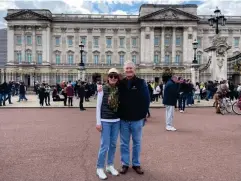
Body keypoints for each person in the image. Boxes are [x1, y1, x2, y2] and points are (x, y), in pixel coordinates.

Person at [118, 61, 149, 175]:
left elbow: (146, 99)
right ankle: (125, 163)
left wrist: (144, 114)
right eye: (127, 68)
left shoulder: (141, 82)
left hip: (137, 119)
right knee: (124, 143)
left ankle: (136, 164)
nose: (128, 70)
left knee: (137, 143)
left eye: (130, 68)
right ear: (124, 70)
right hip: (124, 119)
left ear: (134, 69)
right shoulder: (120, 83)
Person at [96, 68, 120, 180]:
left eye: (115, 76)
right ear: (108, 77)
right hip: (105, 120)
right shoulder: (102, 89)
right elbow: (98, 106)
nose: (113, 78)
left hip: (116, 120)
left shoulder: (119, 89)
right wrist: (98, 122)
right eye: (111, 76)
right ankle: (99, 167)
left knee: (113, 145)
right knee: (104, 145)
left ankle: (110, 165)